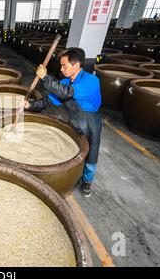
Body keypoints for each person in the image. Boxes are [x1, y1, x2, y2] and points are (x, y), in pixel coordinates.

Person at [23, 48, 102, 197]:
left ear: (77, 65)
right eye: (61, 65)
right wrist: (31, 105)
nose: (61, 69)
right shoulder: (65, 82)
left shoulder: (91, 81)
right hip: (74, 120)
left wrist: (46, 78)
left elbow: (67, 92)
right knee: (74, 151)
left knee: (91, 155)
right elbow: (49, 100)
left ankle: (87, 182)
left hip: (91, 123)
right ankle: (71, 176)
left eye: (64, 65)